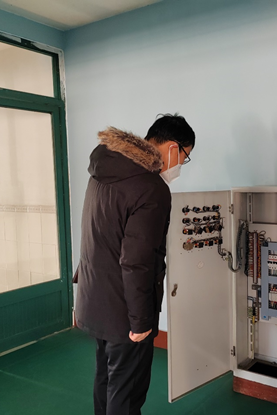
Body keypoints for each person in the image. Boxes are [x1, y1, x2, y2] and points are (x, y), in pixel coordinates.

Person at [74, 114, 195, 415]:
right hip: (126, 309)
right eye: (185, 157)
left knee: (106, 378)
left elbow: (93, 235)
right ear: (172, 148)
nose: (181, 165)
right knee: (127, 392)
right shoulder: (151, 188)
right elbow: (137, 261)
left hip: (96, 298)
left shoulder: (104, 170)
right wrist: (141, 321)